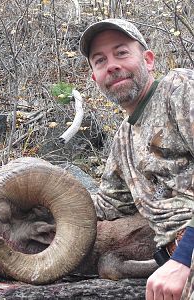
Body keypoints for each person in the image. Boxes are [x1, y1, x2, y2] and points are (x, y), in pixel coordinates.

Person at [79, 18, 194, 300]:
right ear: (96, 78)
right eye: (100, 60)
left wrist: (185, 257)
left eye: (121, 53)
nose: (112, 65)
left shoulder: (179, 90)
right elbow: (106, 205)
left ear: (149, 60)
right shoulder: (123, 141)